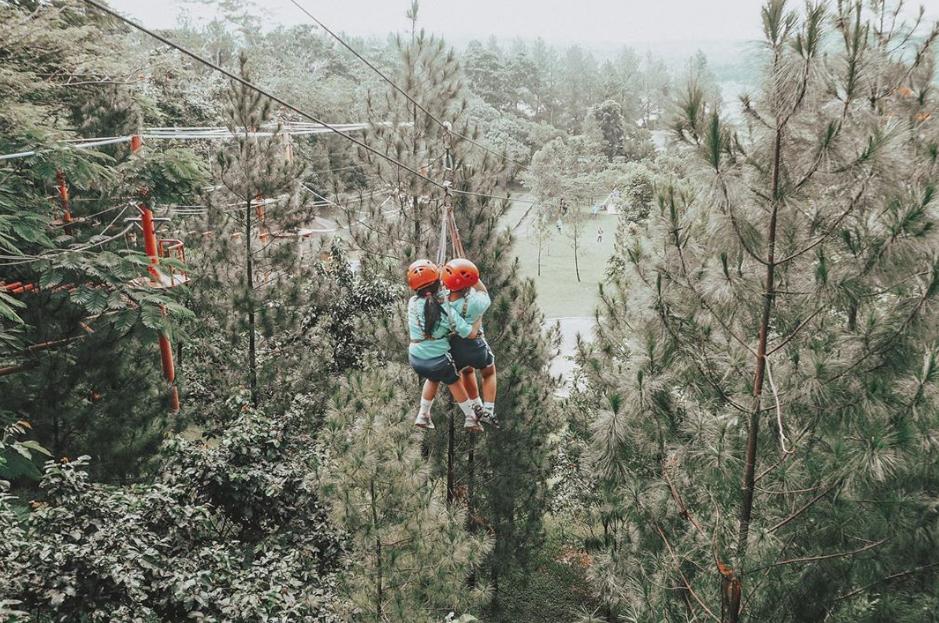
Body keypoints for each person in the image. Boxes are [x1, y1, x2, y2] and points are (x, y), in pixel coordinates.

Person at [407, 259, 486, 432]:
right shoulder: (446, 310)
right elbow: (468, 333)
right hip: (437, 360)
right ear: (438, 281)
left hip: (416, 358)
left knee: (433, 376)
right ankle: (471, 418)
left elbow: (432, 298)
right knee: (454, 381)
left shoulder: (412, 303)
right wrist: (478, 321)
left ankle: (423, 413)